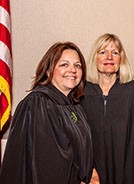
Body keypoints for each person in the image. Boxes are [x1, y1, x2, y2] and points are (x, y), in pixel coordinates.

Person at [0, 42, 93, 184]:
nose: (72, 70)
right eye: (64, 64)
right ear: (49, 70)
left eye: (77, 65)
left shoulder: (75, 107)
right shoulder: (39, 104)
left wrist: (91, 173)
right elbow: (47, 166)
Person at [80, 33, 134, 184]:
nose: (109, 57)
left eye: (115, 52)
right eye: (103, 52)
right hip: (92, 175)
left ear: (121, 59)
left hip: (128, 174)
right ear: (95, 58)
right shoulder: (81, 93)